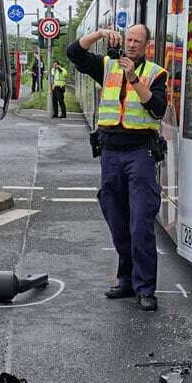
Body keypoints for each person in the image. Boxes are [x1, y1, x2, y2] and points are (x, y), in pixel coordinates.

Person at [66, 24, 167, 311]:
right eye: (129, 40)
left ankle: (145, 288)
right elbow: (74, 52)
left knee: (141, 223)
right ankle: (126, 280)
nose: (132, 45)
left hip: (140, 153)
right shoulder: (107, 66)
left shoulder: (156, 73)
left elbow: (157, 108)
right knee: (117, 219)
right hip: (110, 153)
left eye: (138, 41)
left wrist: (134, 78)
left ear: (147, 45)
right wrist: (98, 35)